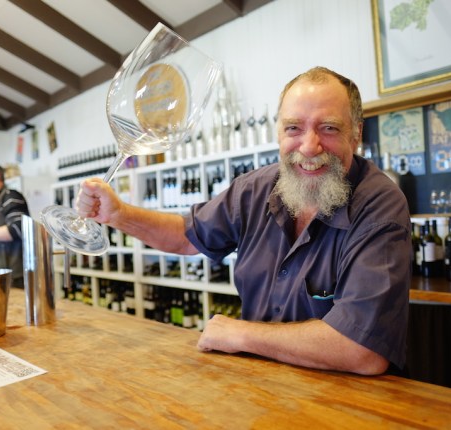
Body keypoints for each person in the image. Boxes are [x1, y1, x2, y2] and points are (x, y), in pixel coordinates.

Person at [76, 67, 411, 375]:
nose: (309, 146)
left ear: (355, 134)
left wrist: (241, 334)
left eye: (329, 128)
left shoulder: (379, 206)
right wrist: (118, 214)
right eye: (293, 128)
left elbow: (362, 351)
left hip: (347, 399)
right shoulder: (253, 190)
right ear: (279, 133)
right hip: (258, 387)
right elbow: (185, 236)